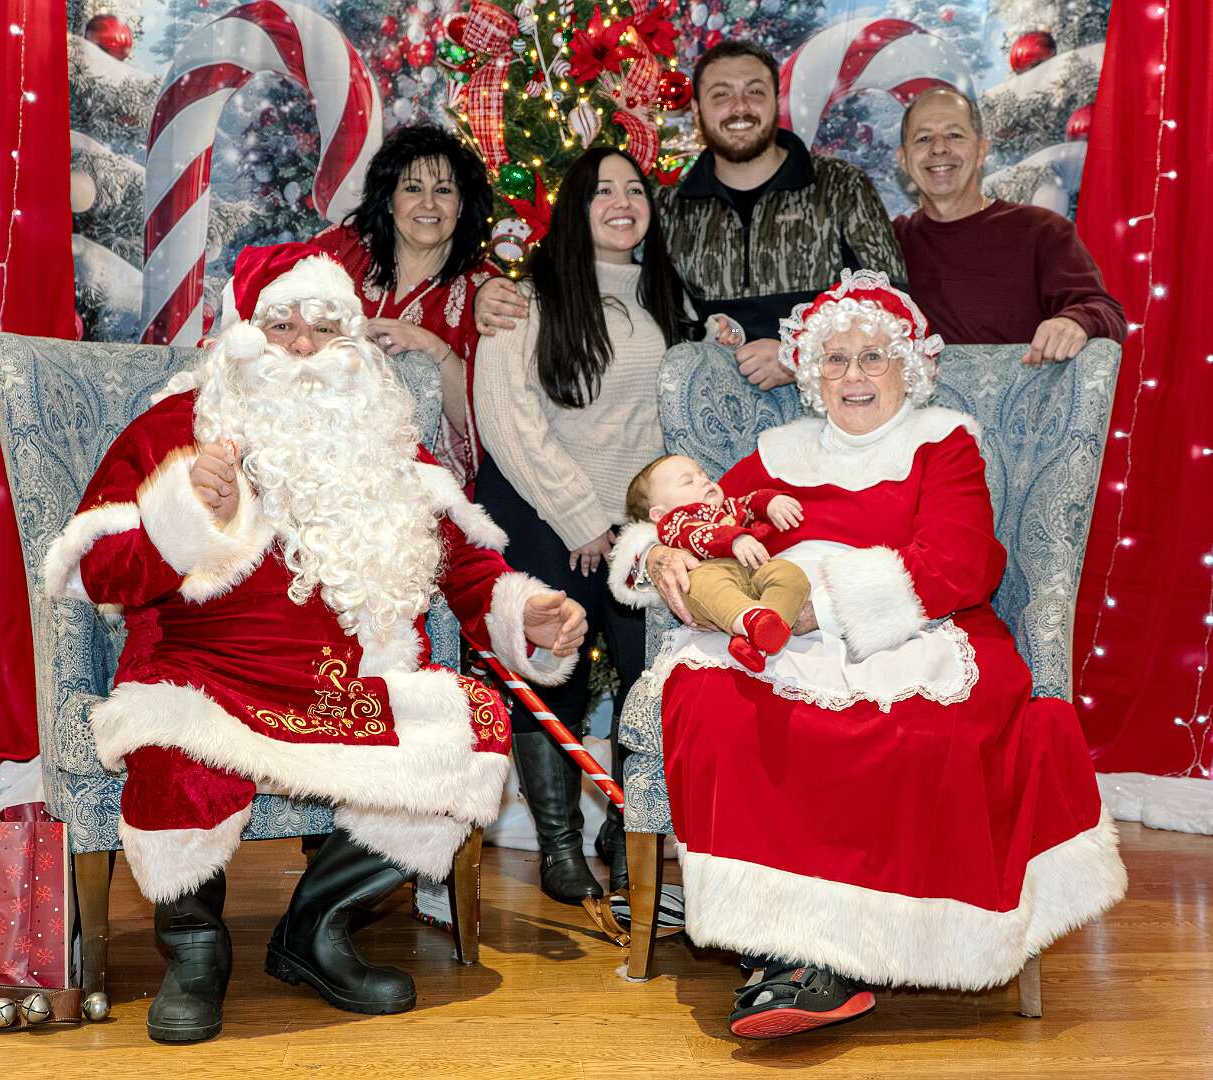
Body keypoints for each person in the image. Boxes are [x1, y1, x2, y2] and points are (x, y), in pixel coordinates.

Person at [44, 242, 587, 1043]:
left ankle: (317, 929)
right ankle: (194, 951)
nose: (302, 345)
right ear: (241, 335)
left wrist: (524, 611)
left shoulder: (387, 439)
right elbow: (97, 570)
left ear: (351, 342)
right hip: (210, 674)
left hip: (351, 682)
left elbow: (465, 566)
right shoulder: (174, 427)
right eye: (282, 325)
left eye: (324, 327)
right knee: (172, 742)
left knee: (467, 728)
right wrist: (184, 512)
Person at [610, 269, 1126, 1039]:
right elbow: (692, 516)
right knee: (713, 703)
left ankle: (825, 956)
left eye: (872, 357)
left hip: (909, 625)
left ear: (905, 367)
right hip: (773, 626)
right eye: (835, 358)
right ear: (812, 373)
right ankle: (784, 946)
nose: (853, 374)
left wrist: (825, 609)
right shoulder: (775, 451)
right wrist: (655, 556)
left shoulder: (943, 442)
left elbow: (957, 562)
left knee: (911, 726)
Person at [473, 147, 685, 902]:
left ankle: (629, 835)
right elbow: (506, 419)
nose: (622, 202)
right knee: (552, 669)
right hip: (544, 510)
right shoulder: (524, 301)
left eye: (635, 190)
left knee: (644, 678)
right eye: (602, 191)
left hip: (634, 528)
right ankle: (558, 845)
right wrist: (578, 516)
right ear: (574, 209)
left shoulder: (666, 299)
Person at [475, 41, 906, 393]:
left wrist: (802, 354)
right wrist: (496, 290)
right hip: (709, 421)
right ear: (697, 112)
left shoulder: (840, 185)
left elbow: (894, 307)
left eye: (755, 91)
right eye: (721, 95)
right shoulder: (665, 207)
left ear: (776, 102)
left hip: (831, 407)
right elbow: (591, 267)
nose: (740, 106)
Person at [313, 123, 499, 491]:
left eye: (443, 190)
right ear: (388, 199)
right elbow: (275, 323)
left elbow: (487, 428)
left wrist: (432, 347)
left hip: (422, 488)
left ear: (461, 205)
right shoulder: (338, 251)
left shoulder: (485, 290)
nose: (428, 204)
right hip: (319, 458)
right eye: (413, 188)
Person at [894, 87, 1126, 364]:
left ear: (981, 151)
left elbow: (1106, 311)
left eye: (955, 135)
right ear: (903, 159)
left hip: (1025, 392)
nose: (939, 148)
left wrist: (1073, 321)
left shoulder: (1043, 230)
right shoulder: (889, 244)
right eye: (923, 138)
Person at [618, 453, 809, 672]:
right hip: (708, 574)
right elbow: (694, 534)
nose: (704, 480)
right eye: (688, 481)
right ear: (659, 513)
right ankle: (750, 621)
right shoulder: (673, 522)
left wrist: (769, 502)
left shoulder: (728, 508)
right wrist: (733, 539)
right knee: (699, 583)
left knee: (790, 574)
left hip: (751, 572)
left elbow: (749, 502)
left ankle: (762, 633)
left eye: (703, 474)